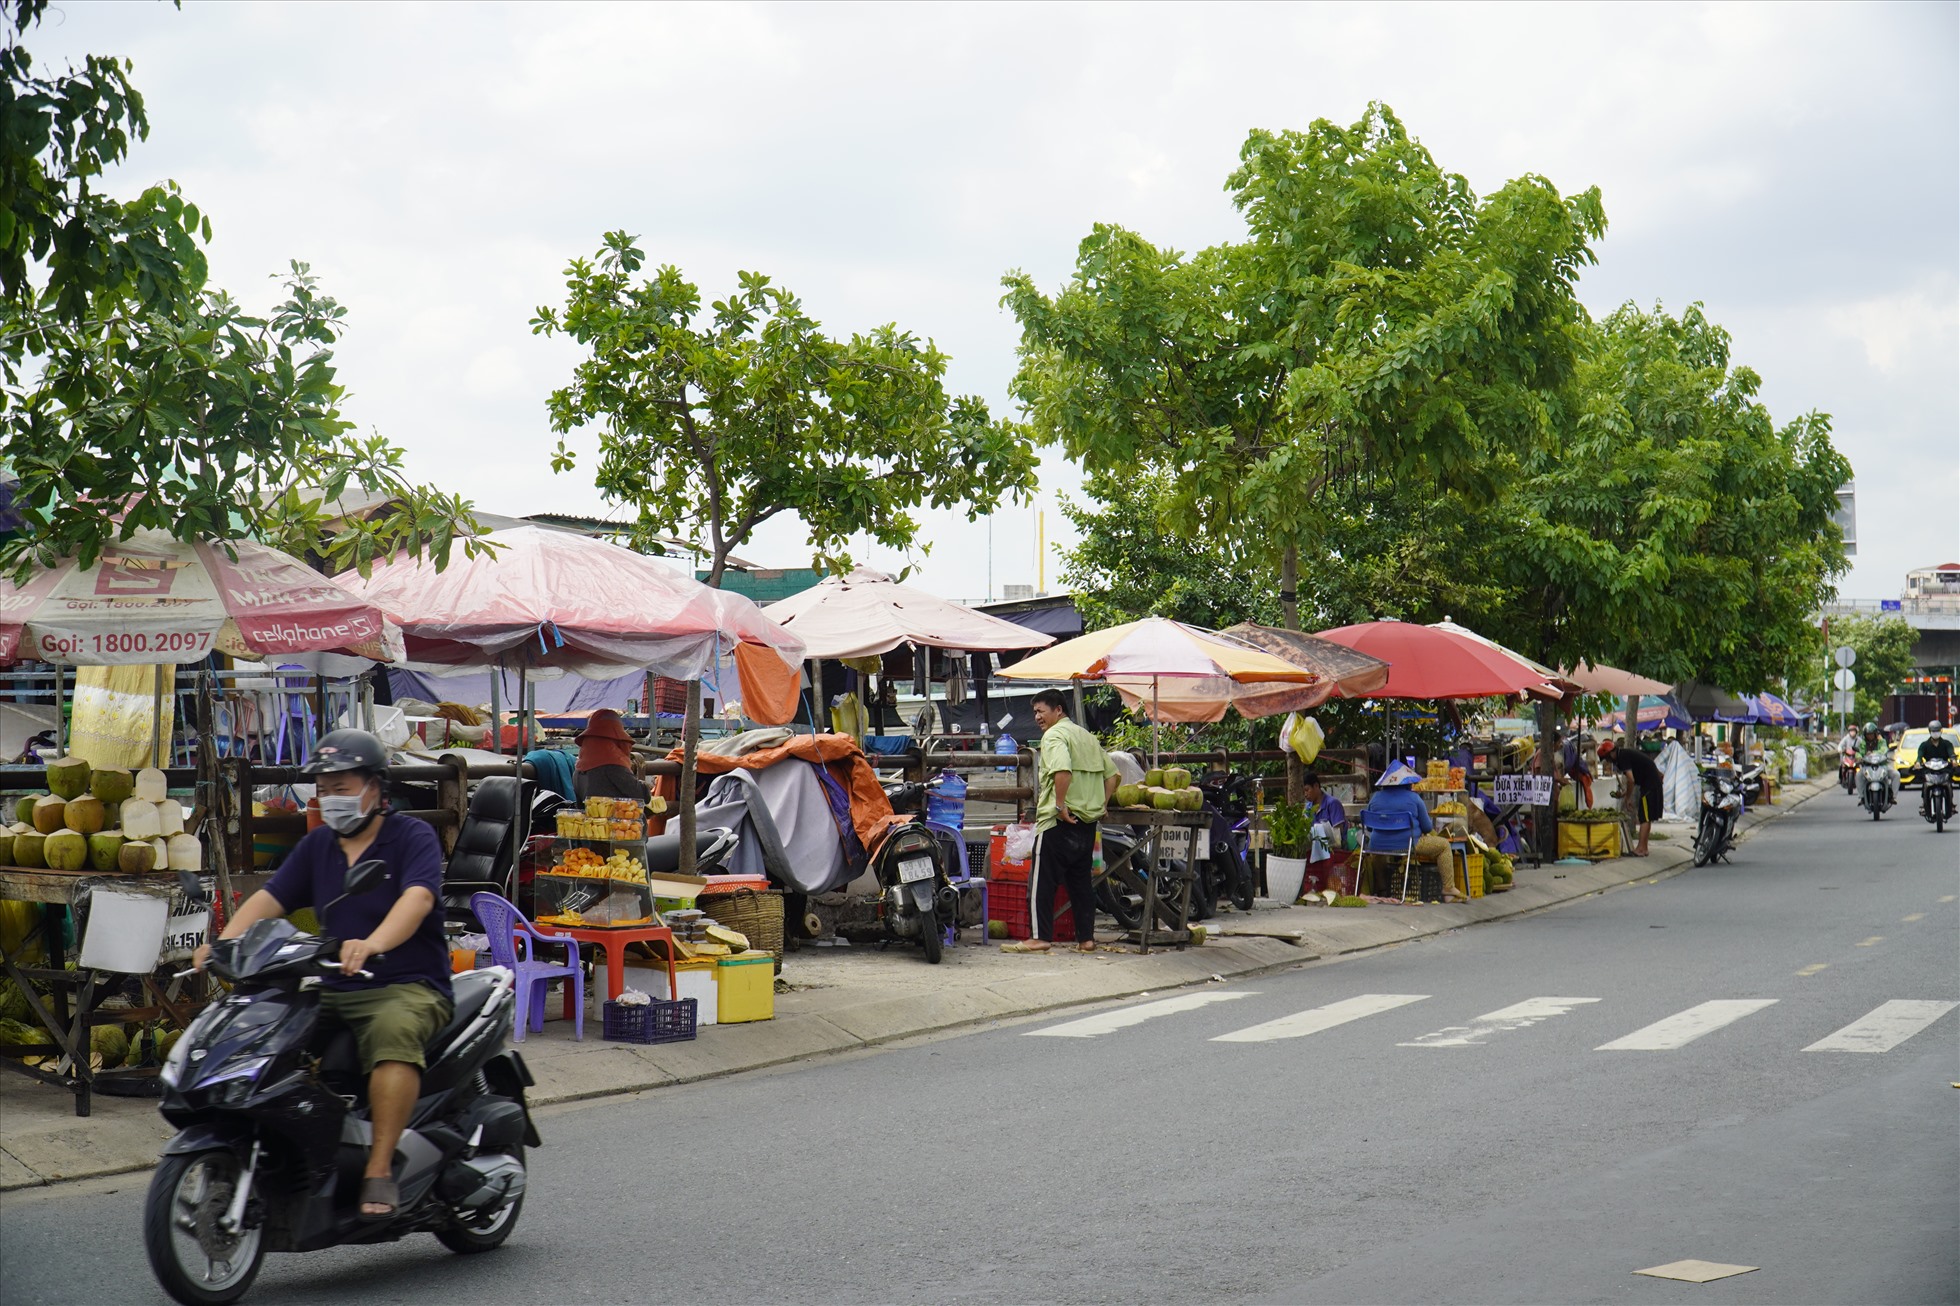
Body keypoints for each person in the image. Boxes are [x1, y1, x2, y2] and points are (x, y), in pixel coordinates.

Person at [194, 729, 451, 1220]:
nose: (331, 799)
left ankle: (379, 1169)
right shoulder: (318, 846)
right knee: (269, 1042)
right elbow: (271, 899)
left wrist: (373, 942)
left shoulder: (412, 837)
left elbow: (416, 899)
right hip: (332, 984)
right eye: (324, 790)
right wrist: (225, 943)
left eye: (343, 787)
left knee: (393, 1035)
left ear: (376, 788)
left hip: (405, 984)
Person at [1002, 689, 1111, 954]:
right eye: (1035, 712)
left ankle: (1040, 937)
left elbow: (1063, 771)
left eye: (1041, 711)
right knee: (1081, 883)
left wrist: (1060, 805)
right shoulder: (1086, 736)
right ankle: (1086, 940)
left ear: (1058, 710)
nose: (1037, 717)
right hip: (1086, 823)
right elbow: (1113, 774)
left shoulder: (1054, 736)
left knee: (1042, 882)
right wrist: (1102, 804)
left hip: (1057, 822)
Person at [1357, 762, 1437, 896]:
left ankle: (1382, 889)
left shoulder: (1375, 798)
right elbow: (1428, 828)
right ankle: (1448, 889)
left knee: (1377, 855)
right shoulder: (1414, 798)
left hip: (1377, 845)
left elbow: (1370, 828)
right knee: (1444, 846)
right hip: (1410, 845)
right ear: (1408, 783)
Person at [1600, 737, 1664, 856]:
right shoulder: (1624, 754)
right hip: (1652, 784)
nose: (1608, 762)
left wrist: (1627, 798)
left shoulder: (1623, 758)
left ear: (1610, 754)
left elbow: (1631, 780)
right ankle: (1644, 848)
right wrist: (1624, 794)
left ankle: (1640, 849)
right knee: (1646, 817)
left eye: (1607, 759)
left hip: (1649, 785)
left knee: (1644, 817)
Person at [573, 708, 649, 804]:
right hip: (620, 818)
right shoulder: (613, 767)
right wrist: (645, 786)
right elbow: (642, 795)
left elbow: (580, 806)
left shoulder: (578, 771)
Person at [1300, 771, 1348, 896]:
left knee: (1327, 858)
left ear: (1316, 786)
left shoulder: (1333, 804)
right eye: (1304, 792)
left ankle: (1327, 891)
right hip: (1314, 848)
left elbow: (1339, 832)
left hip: (1334, 848)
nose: (1305, 794)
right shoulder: (1308, 808)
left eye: (1307, 790)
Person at [1918, 720, 1955, 814]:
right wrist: (1918, 763)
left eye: (1937, 730)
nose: (1935, 733)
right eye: (1933, 731)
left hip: (1944, 769)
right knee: (1926, 784)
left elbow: (1951, 753)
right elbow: (1919, 756)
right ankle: (1924, 803)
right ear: (1929, 731)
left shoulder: (1947, 744)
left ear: (1941, 731)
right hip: (1929, 770)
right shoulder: (1924, 745)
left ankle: (1951, 803)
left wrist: (1953, 760)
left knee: (1948, 784)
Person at [1859, 720, 1898, 809]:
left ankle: (1893, 796)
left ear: (1875, 734)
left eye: (1871, 734)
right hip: (1867, 767)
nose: (1870, 736)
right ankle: (1861, 797)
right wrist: (1859, 757)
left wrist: (1872, 752)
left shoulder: (1882, 741)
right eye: (1868, 734)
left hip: (1882, 766)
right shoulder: (1863, 743)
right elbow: (1859, 752)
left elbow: (1884, 749)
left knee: (1896, 774)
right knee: (1858, 775)